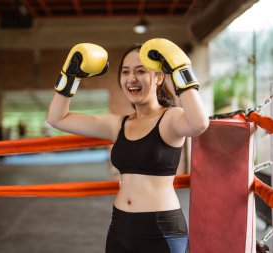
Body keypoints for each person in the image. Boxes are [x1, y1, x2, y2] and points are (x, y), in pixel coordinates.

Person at [47, 38, 209, 253]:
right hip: (120, 226)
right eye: (125, 72)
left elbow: (199, 124)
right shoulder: (117, 124)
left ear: (159, 77)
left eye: (141, 71)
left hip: (160, 229)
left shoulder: (171, 117)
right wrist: (71, 77)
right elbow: (57, 118)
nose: (131, 78)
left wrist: (180, 70)